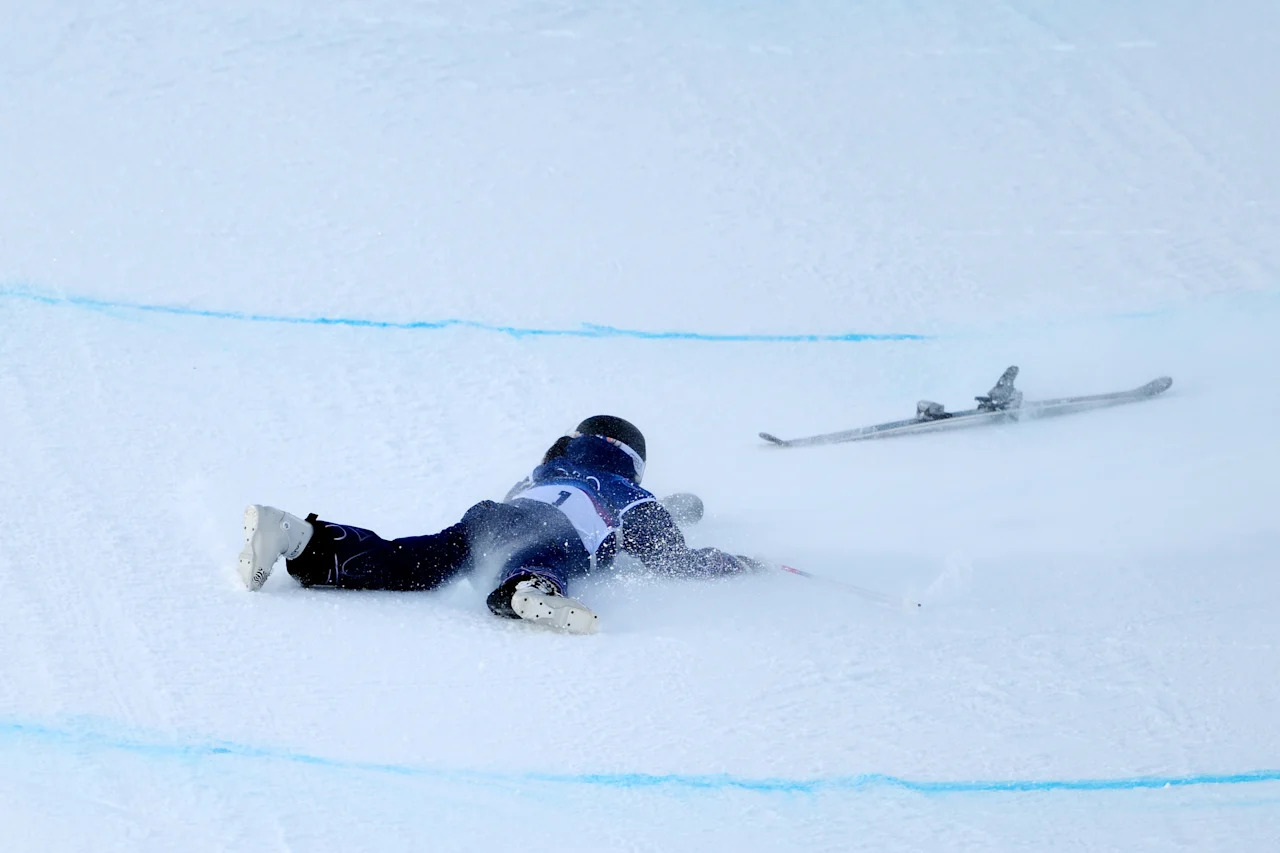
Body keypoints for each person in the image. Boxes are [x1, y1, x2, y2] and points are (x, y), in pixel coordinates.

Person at [237, 415, 762, 633]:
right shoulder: (627, 493)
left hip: (490, 515)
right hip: (551, 531)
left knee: (412, 560)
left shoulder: (547, 471)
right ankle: (528, 589)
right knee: (552, 551)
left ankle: (297, 536)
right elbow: (668, 556)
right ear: (630, 463)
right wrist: (737, 563)